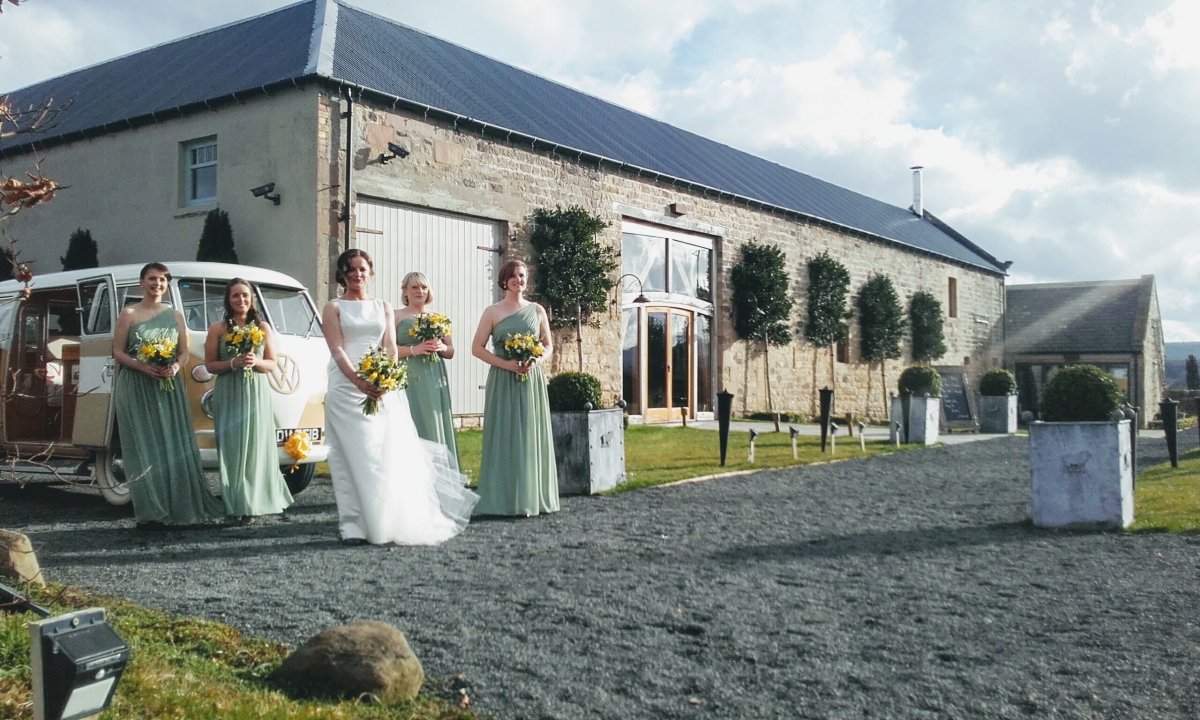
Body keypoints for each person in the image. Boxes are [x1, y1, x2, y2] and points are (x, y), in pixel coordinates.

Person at [321, 249, 477, 545]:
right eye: (351, 269)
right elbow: (337, 348)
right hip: (345, 386)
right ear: (342, 273)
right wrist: (358, 381)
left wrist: (384, 379)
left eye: (362, 269)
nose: (357, 274)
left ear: (371, 272)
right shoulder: (333, 307)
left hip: (382, 386)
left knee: (382, 454)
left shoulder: (383, 306)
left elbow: (390, 347)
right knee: (350, 457)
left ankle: (384, 519)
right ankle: (354, 525)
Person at [112, 262, 224, 529]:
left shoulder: (175, 315)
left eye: (162, 280)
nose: (157, 284)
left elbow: (183, 351)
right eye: (152, 279)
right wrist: (143, 366)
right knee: (143, 445)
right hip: (137, 385)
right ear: (141, 282)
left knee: (172, 443)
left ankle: (179, 504)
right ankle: (150, 510)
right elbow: (117, 352)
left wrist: (175, 365)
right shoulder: (128, 313)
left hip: (168, 386)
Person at [471, 259, 559, 517]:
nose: (518, 280)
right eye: (513, 276)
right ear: (504, 280)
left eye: (522, 275)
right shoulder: (492, 311)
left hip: (531, 380)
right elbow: (476, 348)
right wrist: (505, 364)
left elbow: (548, 345)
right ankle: (502, 499)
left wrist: (536, 360)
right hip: (502, 379)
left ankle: (532, 497)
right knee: (505, 435)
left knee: (530, 434)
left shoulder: (537, 310)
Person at [204, 279, 293, 525]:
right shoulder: (218, 328)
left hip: (256, 391)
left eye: (245, 295)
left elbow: (273, 363)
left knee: (255, 446)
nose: (241, 300)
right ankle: (234, 504)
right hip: (229, 391)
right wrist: (233, 363)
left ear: (251, 298)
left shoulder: (263, 326)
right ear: (228, 300)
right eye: (235, 296)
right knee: (232, 448)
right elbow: (210, 365)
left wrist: (255, 362)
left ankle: (252, 503)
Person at [394, 271, 460, 471]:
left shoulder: (439, 318)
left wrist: (441, 348)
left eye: (423, 287)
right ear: (405, 291)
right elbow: (387, 350)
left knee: (432, 421)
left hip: (433, 377)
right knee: (409, 421)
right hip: (407, 376)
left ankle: (437, 475)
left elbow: (451, 352)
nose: (419, 291)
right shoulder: (396, 316)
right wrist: (415, 349)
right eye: (414, 287)